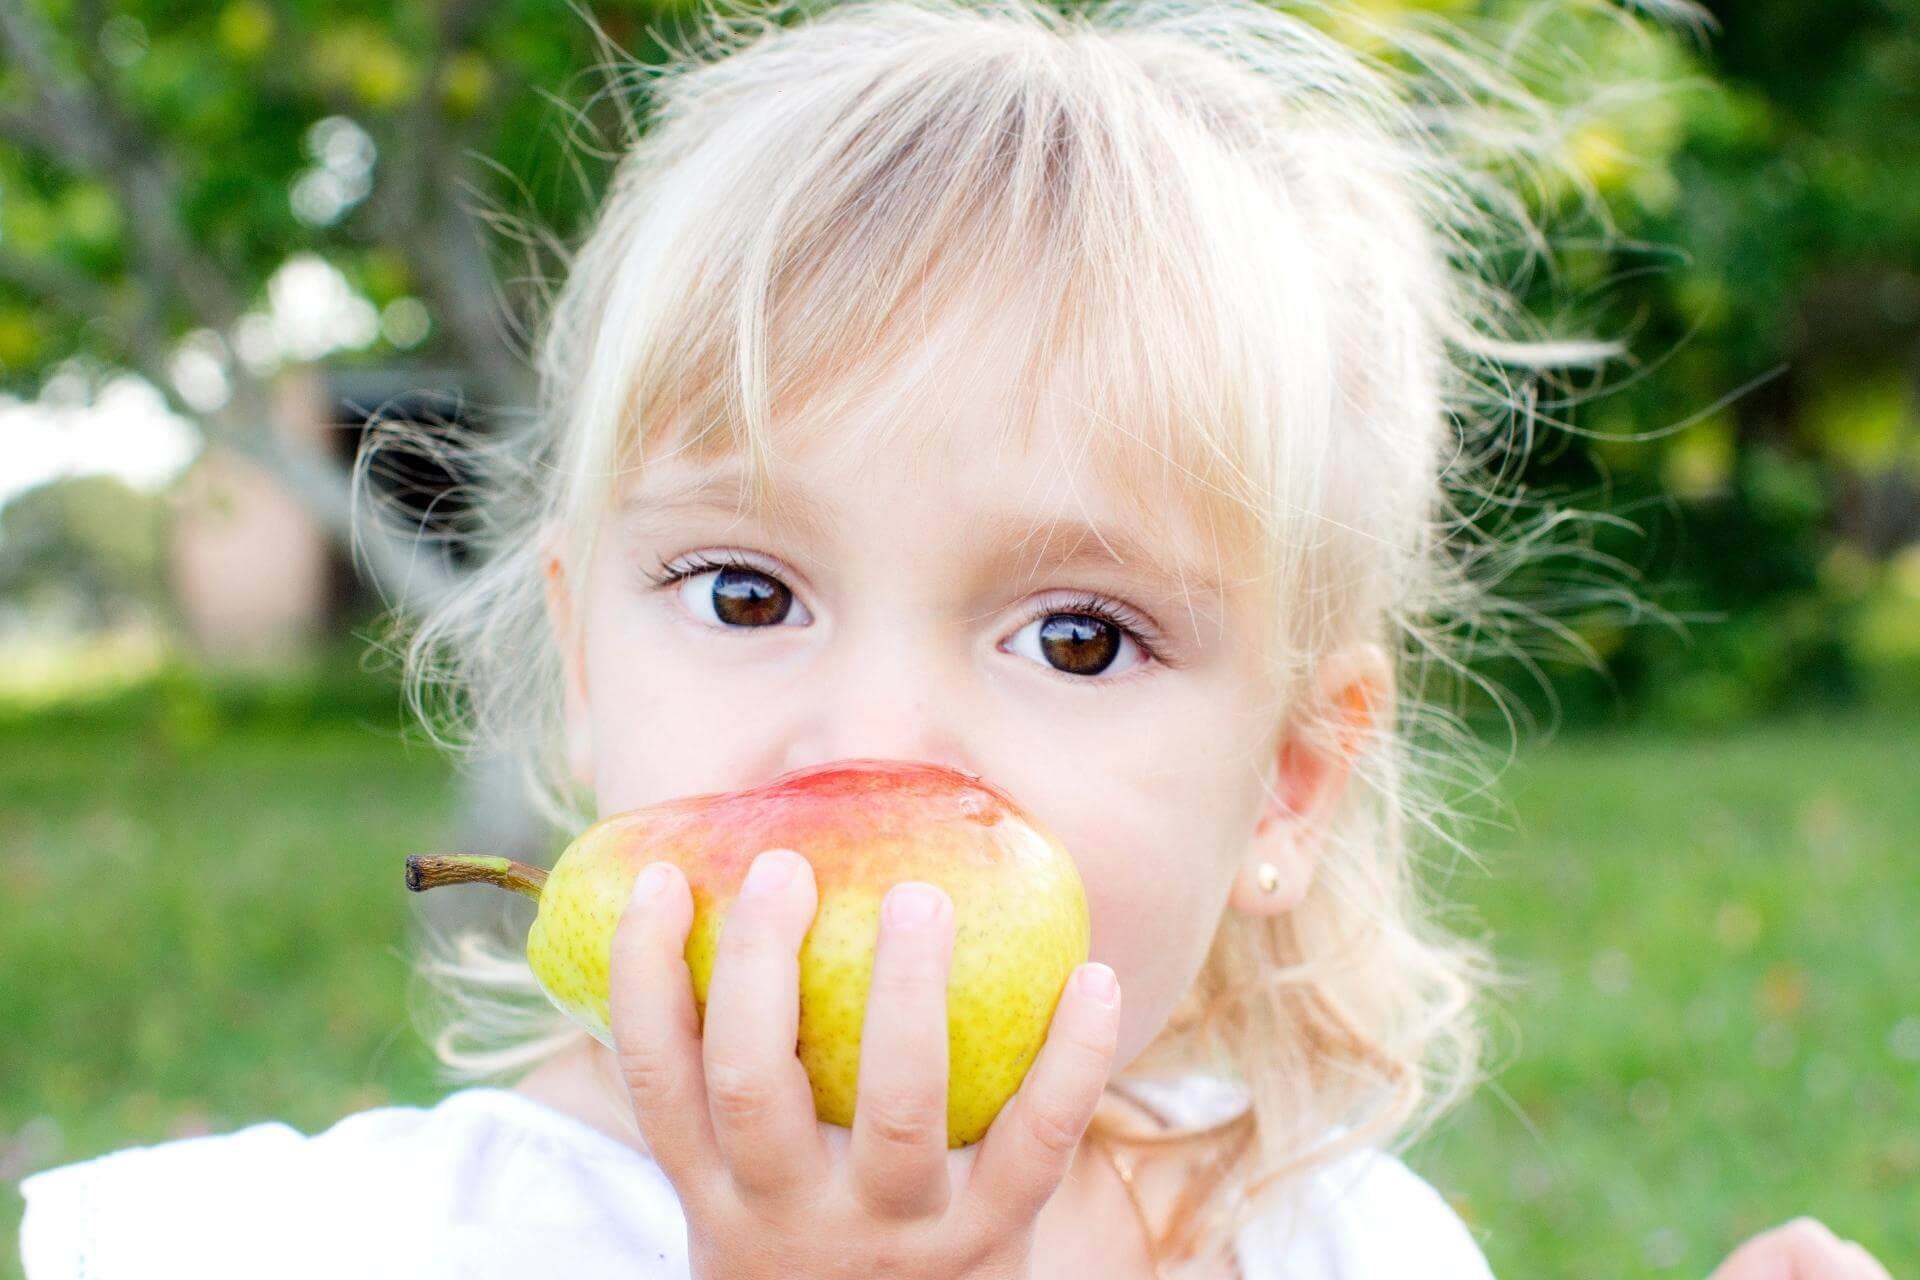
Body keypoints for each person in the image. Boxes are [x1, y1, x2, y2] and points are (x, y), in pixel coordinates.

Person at [15, 0, 1897, 1277]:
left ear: (1288, 786)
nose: (879, 727)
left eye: (1079, 636)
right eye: (747, 595)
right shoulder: (391, 1247)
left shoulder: (1335, 1246)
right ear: (586, 674)